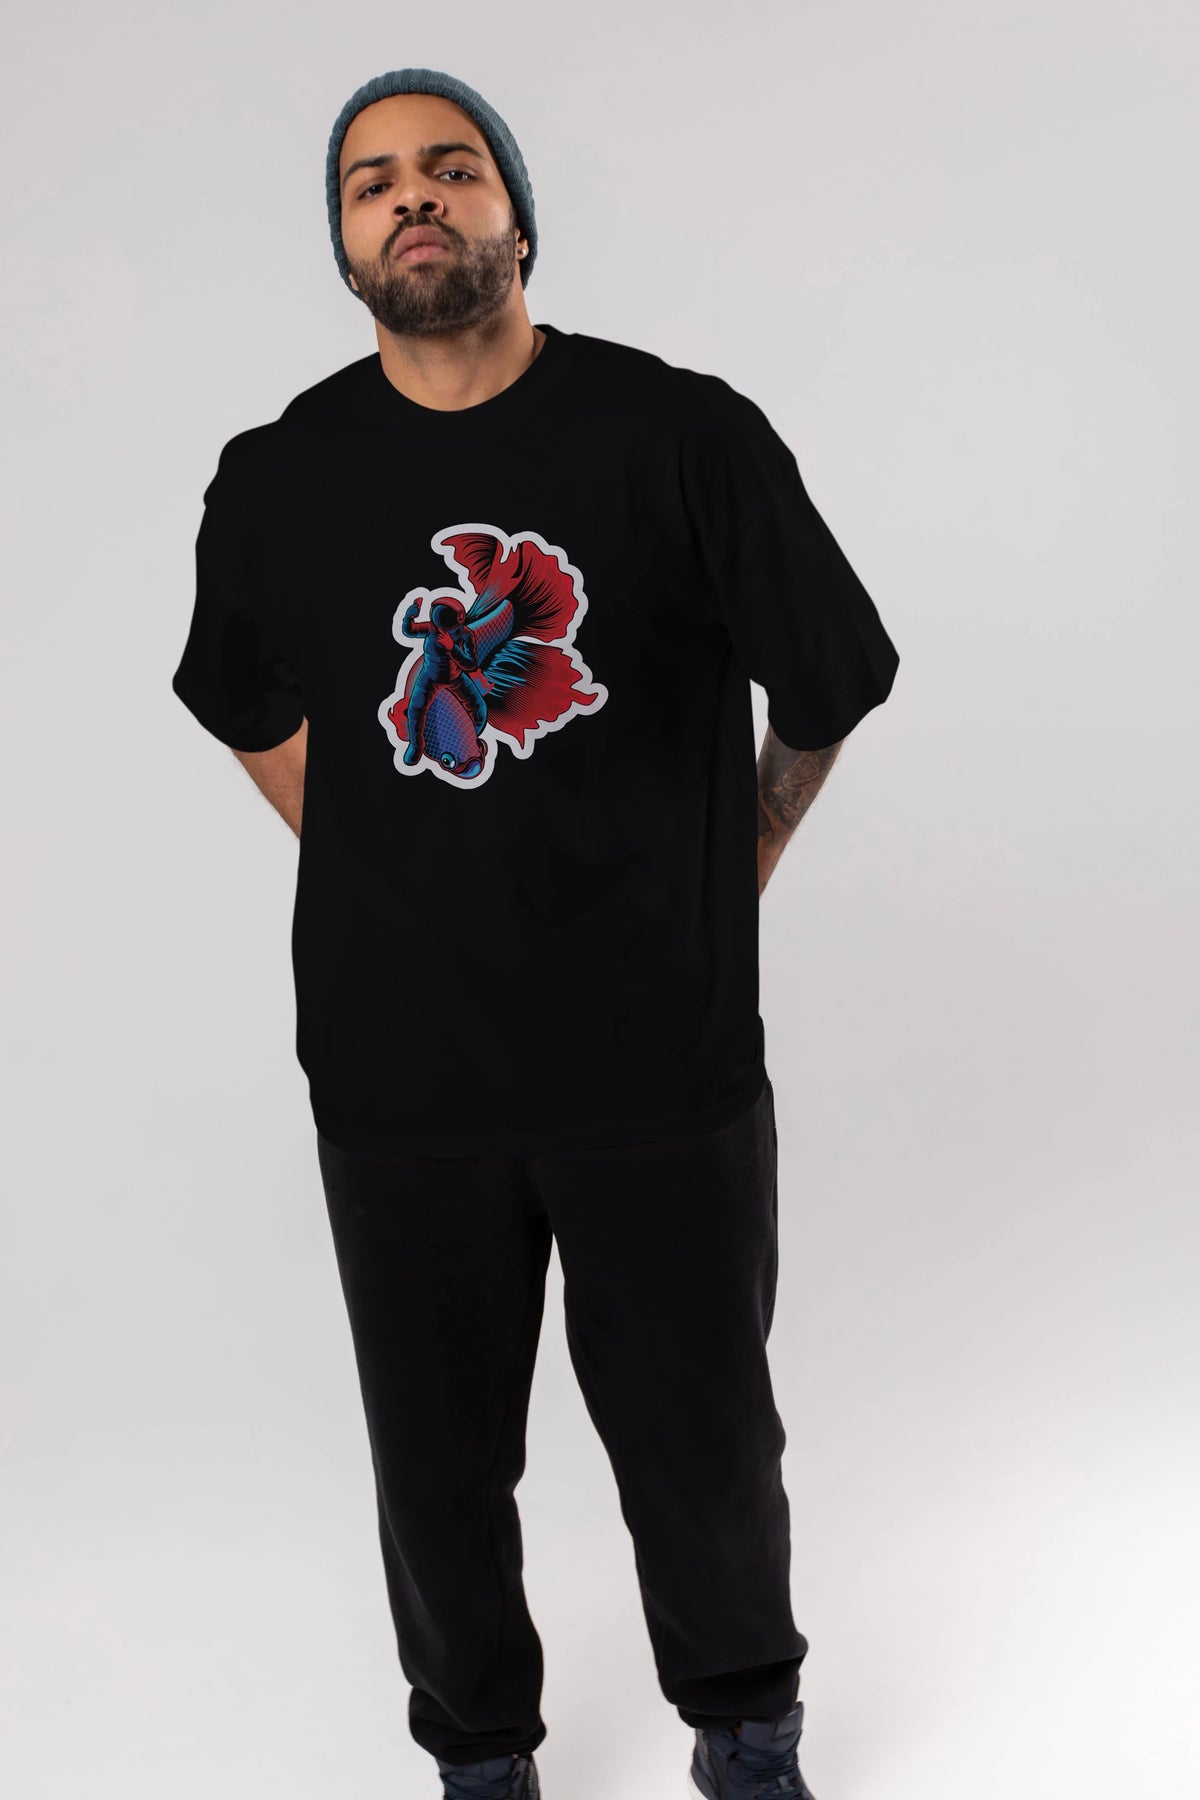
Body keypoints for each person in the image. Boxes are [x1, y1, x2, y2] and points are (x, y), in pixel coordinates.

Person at [170, 65, 900, 1800]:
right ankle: (481, 1758)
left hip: (659, 1056)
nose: (413, 197)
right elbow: (245, 701)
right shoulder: (278, 477)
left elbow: (829, 677)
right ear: (344, 243)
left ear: (516, 214)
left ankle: (747, 1731)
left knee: (703, 1440)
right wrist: (386, 856)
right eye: (372, 183)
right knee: (435, 1467)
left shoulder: (681, 436)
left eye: (452, 167)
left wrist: (744, 856)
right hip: (401, 1069)